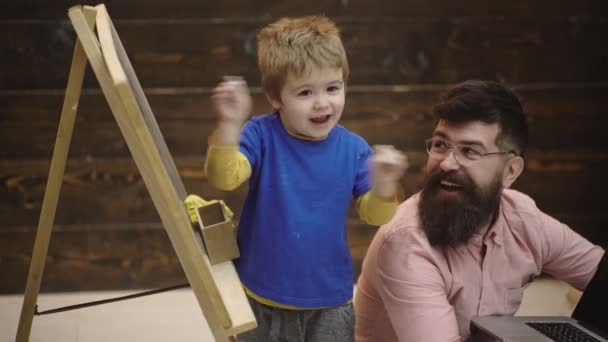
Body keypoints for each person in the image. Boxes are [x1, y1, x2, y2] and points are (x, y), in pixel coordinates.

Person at [190, 16, 408, 341]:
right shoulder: (260, 134)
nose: (322, 103)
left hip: (330, 301)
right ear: (275, 97)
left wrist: (385, 184)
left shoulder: (354, 149)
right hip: (260, 295)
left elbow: (377, 215)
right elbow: (224, 177)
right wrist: (229, 125)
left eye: (333, 88)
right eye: (305, 92)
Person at [353, 80, 605, 342]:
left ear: (510, 172)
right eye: (440, 145)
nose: (448, 163)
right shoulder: (406, 241)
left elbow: (599, 274)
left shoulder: (524, 219)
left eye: (470, 151)